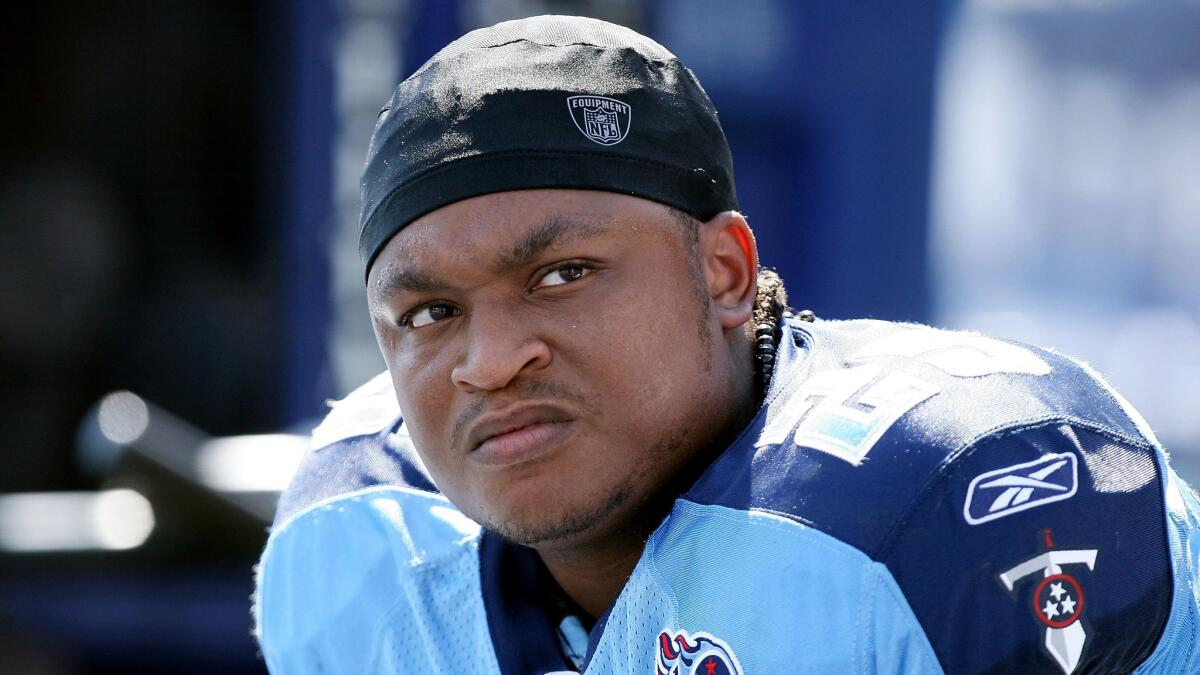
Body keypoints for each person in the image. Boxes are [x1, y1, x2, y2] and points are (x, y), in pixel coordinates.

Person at [253, 15, 1200, 674]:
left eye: (563, 275)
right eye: (428, 314)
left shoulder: (950, 491)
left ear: (724, 275)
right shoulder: (354, 537)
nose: (492, 360)